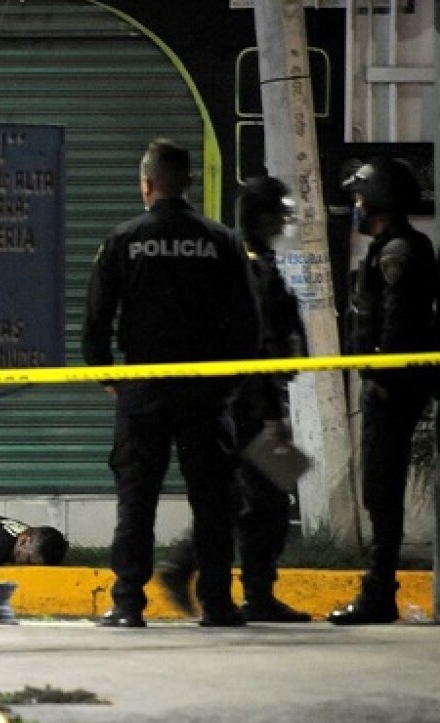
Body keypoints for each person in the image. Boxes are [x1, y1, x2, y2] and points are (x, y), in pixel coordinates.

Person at [82, 138, 261, 628]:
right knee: (212, 498)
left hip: (144, 388)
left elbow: (96, 321)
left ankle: (126, 604)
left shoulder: (123, 239)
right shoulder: (222, 241)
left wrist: (107, 376)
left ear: (146, 183)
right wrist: (230, 383)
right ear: (187, 182)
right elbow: (249, 323)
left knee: (137, 499)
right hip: (206, 390)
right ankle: (218, 603)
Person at [157, 176, 313, 623]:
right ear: (261, 217)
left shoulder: (250, 261)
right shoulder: (250, 267)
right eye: (276, 215)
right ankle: (225, 580)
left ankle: (219, 578)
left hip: (248, 399)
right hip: (248, 403)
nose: (282, 222)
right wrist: (267, 413)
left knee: (248, 499)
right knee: (259, 500)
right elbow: (257, 344)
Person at [329, 158, 440, 625]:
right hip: (385, 386)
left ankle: (379, 592)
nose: (356, 205)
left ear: (377, 201)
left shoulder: (398, 250)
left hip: (390, 389)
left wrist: (379, 378)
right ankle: (379, 589)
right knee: (379, 486)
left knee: (382, 485)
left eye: (360, 197)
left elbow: (397, 320)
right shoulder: (388, 247)